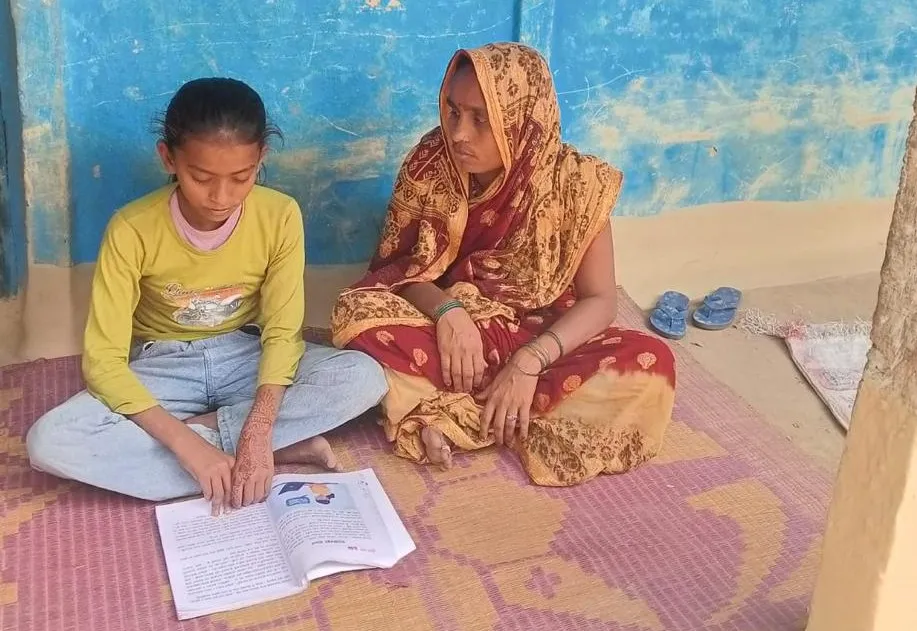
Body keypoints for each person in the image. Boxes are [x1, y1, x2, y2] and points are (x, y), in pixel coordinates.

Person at [26, 78, 387, 511]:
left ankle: (233, 445)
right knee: (49, 442)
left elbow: (282, 330)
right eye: (201, 178)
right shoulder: (132, 228)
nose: (221, 197)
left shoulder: (280, 215)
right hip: (165, 363)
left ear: (261, 159)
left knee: (364, 376)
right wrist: (186, 445)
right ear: (168, 158)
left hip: (244, 354)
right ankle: (267, 450)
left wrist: (257, 427)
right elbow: (103, 361)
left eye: (241, 178)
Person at [331, 43, 676, 486]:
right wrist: (447, 313)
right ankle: (505, 412)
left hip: (544, 334)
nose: (459, 134)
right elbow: (402, 273)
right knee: (358, 317)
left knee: (649, 363)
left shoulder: (575, 184)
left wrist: (530, 361)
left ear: (522, 121)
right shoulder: (430, 164)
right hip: (461, 340)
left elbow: (601, 301)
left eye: (481, 119)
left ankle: (459, 413)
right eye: (453, 112)